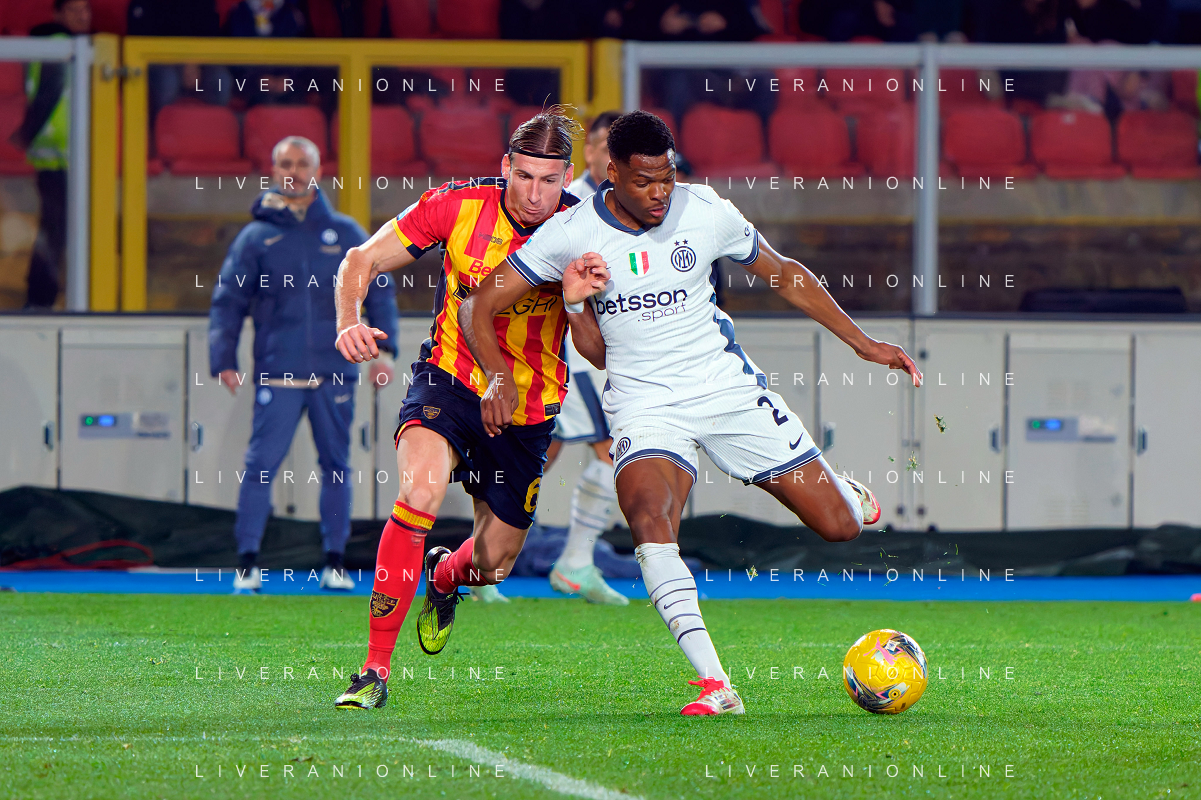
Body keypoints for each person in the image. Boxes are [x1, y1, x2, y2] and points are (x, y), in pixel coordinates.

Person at [458, 111, 923, 716]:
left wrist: (863, 344)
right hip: (645, 405)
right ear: (611, 173)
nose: (660, 192)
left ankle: (844, 490)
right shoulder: (571, 232)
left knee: (840, 528)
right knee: (649, 518)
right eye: (644, 181)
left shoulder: (705, 209)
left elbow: (785, 275)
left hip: (726, 390)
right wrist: (564, 313)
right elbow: (481, 305)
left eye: (667, 177)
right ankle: (715, 684)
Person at [329, 107, 601, 711]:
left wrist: (577, 304)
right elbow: (360, 259)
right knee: (420, 493)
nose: (534, 194)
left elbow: (597, 353)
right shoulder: (456, 205)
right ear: (505, 166)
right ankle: (373, 669)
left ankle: (445, 576)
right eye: (523, 176)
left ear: (567, 178)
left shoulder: (585, 230)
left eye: (548, 180)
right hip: (449, 381)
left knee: (493, 565)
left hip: (527, 406)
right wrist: (349, 321)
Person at [208, 136, 398, 594]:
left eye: (301, 163)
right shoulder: (256, 237)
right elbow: (228, 301)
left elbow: (380, 289)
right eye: (284, 163)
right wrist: (223, 358)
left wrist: (386, 353)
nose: (292, 171)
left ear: (318, 170)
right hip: (279, 371)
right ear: (273, 170)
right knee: (260, 466)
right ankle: (247, 564)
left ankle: (335, 563)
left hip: (336, 371)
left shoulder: (346, 232)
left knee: (337, 465)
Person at [538, 110, 628, 606]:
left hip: (607, 350)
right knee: (610, 450)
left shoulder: (634, 205)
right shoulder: (572, 206)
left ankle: (482, 560)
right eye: (603, 145)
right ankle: (573, 562)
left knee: (538, 453)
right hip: (572, 349)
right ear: (588, 152)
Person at [9, 0, 91, 310]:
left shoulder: (44, 44)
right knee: (56, 231)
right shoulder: (61, 44)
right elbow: (50, 90)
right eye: (74, 10)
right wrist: (25, 132)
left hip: (55, 152)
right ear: (58, 14)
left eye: (86, 9)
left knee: (55, 229)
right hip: (62, 152)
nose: (82, 16)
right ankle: (40, 299)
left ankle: (43, 297)